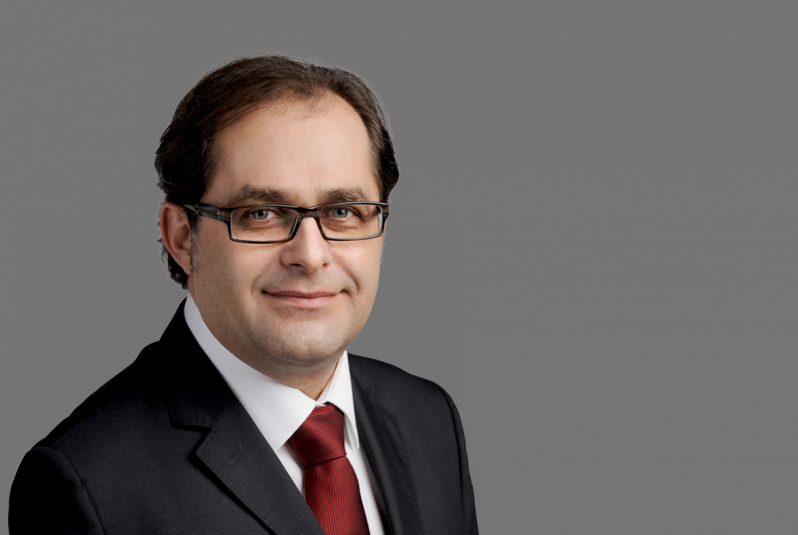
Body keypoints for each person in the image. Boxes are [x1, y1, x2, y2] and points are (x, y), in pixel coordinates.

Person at [9, 56, 478, 534]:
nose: (310, 255)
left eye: (343, 212)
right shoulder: (88, 484)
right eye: (261, 214)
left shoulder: (429, 418)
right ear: (182, 237)